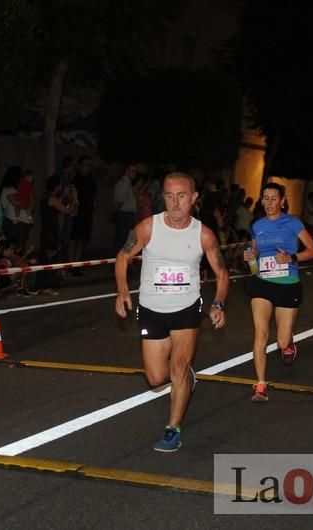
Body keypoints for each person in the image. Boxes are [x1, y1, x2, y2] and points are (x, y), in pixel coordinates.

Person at [114, 172, 229, 452]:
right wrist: (122, 290)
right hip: (152, 309)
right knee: (155, 378)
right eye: (169, 196)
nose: (175, 202)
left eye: (181, 196)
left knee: (177, 367)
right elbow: (123, 256)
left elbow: (223, 273)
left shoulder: (203, 234)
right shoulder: (148, 228)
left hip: (187, 308)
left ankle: (173, 428)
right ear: (162, 197)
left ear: (193, 198)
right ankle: (186, 378)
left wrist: (218, 303)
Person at [243, 182, 313, 402]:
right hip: (262, 283)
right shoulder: (257, 225)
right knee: (261, 334)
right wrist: (250, 257)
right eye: (265, 198)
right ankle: (260, 385)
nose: (269, 203)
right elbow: (254, 252)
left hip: (287, 284)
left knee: (282, 341)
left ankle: (289, 345)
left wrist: (292, 257)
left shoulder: (293, 223)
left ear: (282, 201)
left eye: (273, 198)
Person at [112, 162, 137, 254]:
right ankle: (117, 262)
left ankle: (122, 261)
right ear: (126, 171)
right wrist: (116, 214)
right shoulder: (124, 184)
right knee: (122, 240)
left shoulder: (127, 184)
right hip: (124, 215)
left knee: (126, 240)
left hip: (127, 215)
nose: (134, 173)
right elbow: (120, 201)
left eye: (135, 171)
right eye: (132, 171)